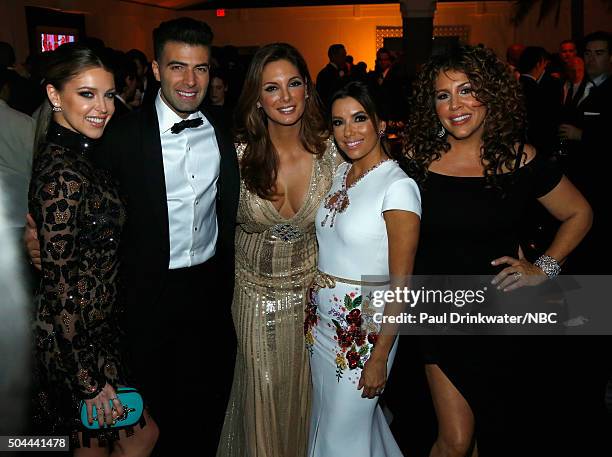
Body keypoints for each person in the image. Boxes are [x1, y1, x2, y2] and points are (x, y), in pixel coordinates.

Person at [25, 18, 240, 456]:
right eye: (178, 67)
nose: (190, 80)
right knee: (135, 423)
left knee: (198, 411)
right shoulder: (115, 135)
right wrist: (42, 249)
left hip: (207, 297)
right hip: (137, 304)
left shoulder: (221, 128)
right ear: (157, 70)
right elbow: (68, 225)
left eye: (200, 68)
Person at [401, 44, 592, 456]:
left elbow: (579, 213)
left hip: (502, 313)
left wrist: (543, 268)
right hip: (438, 309)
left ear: (490, 94)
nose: (456, 105)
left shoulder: (522, 159)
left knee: (490, 433)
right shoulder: (417, 159)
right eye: (443, 95)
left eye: (467, 90)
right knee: (454, 440)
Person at [28, 42, 159, 454]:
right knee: (132, 438)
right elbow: (59, 286)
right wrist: (84, 376)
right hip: (73, 340)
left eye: (107, 94)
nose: (102, 106)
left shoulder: (83, 156)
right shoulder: (63, 175)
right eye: (87, 94)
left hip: (96, 332)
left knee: (105, 445)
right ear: (55, 96)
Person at [216, 43, 337, 457]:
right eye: (272, 88)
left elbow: (381, 194)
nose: (285, 98)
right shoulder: (234, 153)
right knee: (261, 394)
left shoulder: (334, 151)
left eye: (294, 84)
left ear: (307, 88)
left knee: (306, 400)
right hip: (253, 297)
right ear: (257, 97)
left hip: (312, 302)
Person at [306, 81, 421, 457]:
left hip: (365, 335)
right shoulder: (342, 174)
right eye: (338, 122)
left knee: (342, 441)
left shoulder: (399, 187)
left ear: (380, 123)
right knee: (330, 428)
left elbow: (402, 284)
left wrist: (380, 356)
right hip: (321, 325)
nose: (348, 131)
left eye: (359, 119)